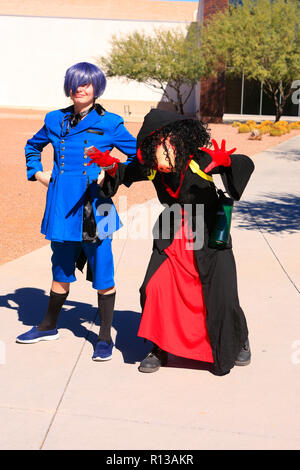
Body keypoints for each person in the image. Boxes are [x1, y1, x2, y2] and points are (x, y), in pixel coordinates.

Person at [86, 108, 254, 376]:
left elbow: (243, 163)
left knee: (220, 294)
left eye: (168, 145)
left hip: (209, 231)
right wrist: (109, 166)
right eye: (157, 148)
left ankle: (238, 339)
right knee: (154, 288)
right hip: (172, 233)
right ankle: (159, 346)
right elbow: (122, 175)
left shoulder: (199, 158)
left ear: (179, 140)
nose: (163, 155)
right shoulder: (152, 167)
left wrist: (226, 164)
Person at [16, 62, 137, 361]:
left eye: (85, 84)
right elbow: (33, 146)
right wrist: (37, 173)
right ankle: (48, 325)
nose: (78, 88)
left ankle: (105, 337)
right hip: (61, 207)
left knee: (104, 273)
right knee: (60, 267)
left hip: (96, 207)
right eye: (73, 83)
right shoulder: (54, 119)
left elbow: (138, 157)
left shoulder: (110, 123)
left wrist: (110, 171)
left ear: (96, 88)